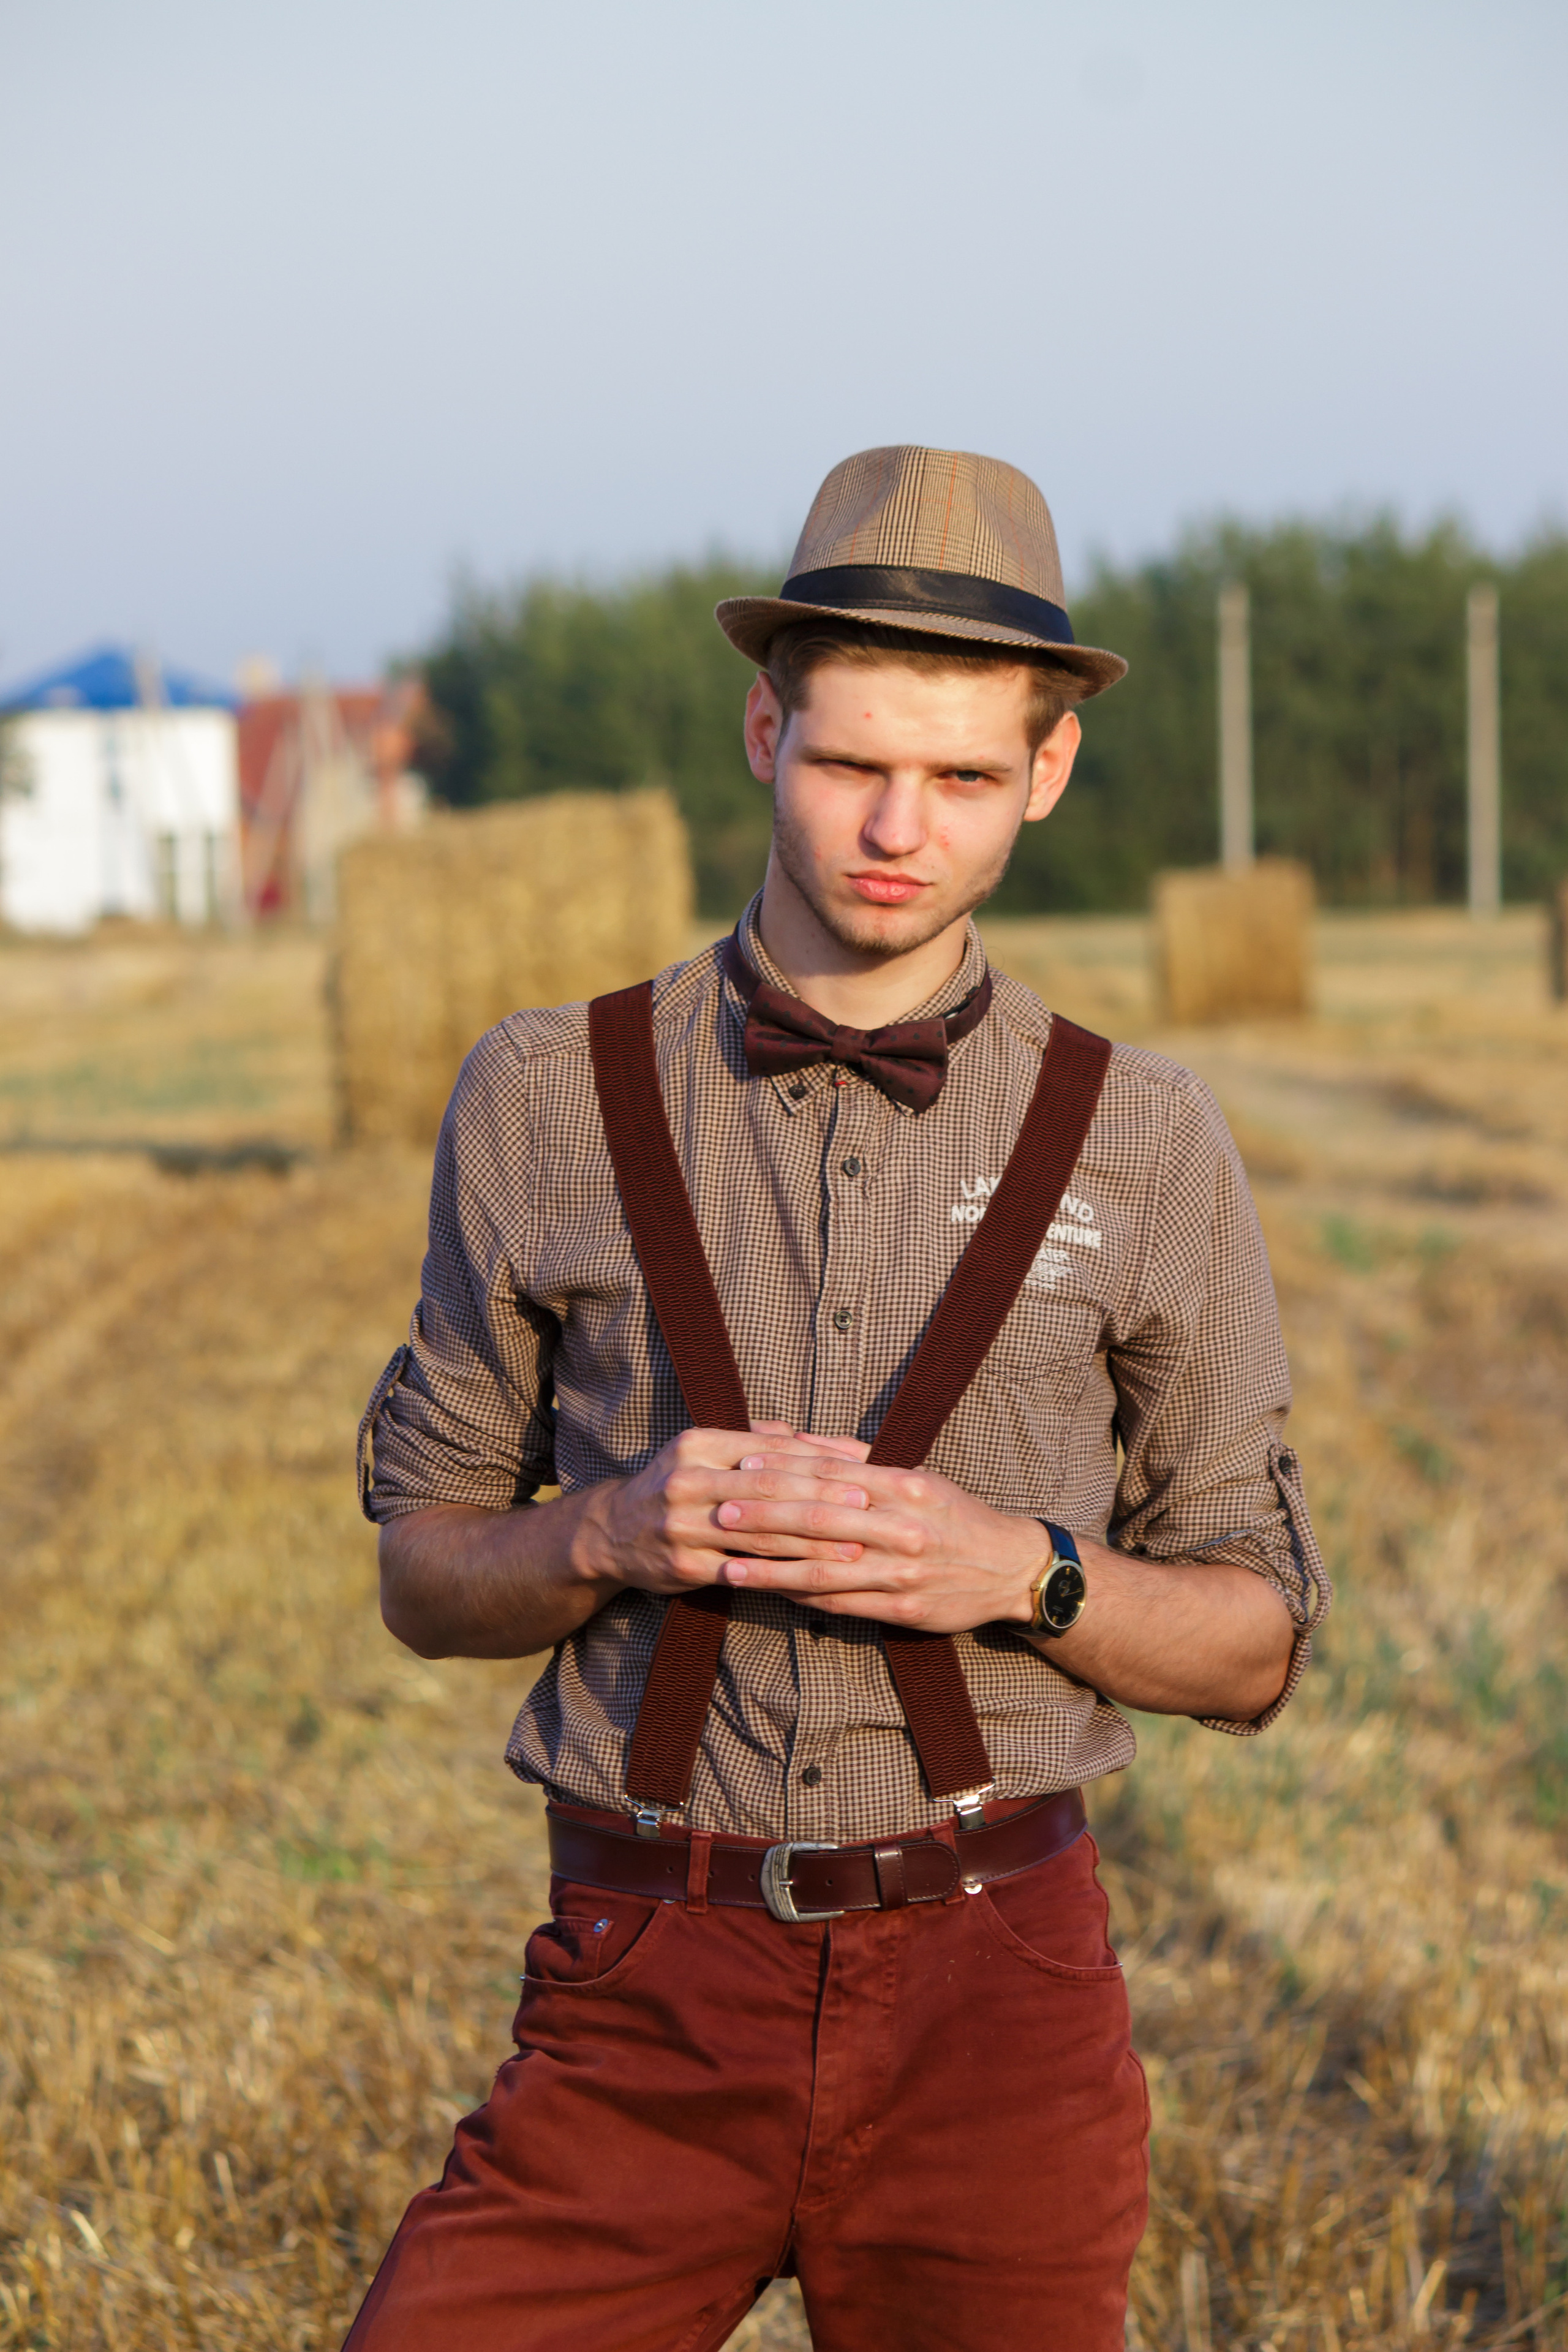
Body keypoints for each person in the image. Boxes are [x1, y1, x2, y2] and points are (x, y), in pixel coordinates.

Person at [346, 445, 1330, 2352]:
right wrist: (604, 1529)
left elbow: (1256, 1646)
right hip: (641, 1980)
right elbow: (422, 1576)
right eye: (848, 761)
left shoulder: (1149, 1135)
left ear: (1045, 775)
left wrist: (1022, 1572)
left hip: (1002, 2000)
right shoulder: (540, 1092)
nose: (900, 825)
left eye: (964, 778)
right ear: (761, 728)